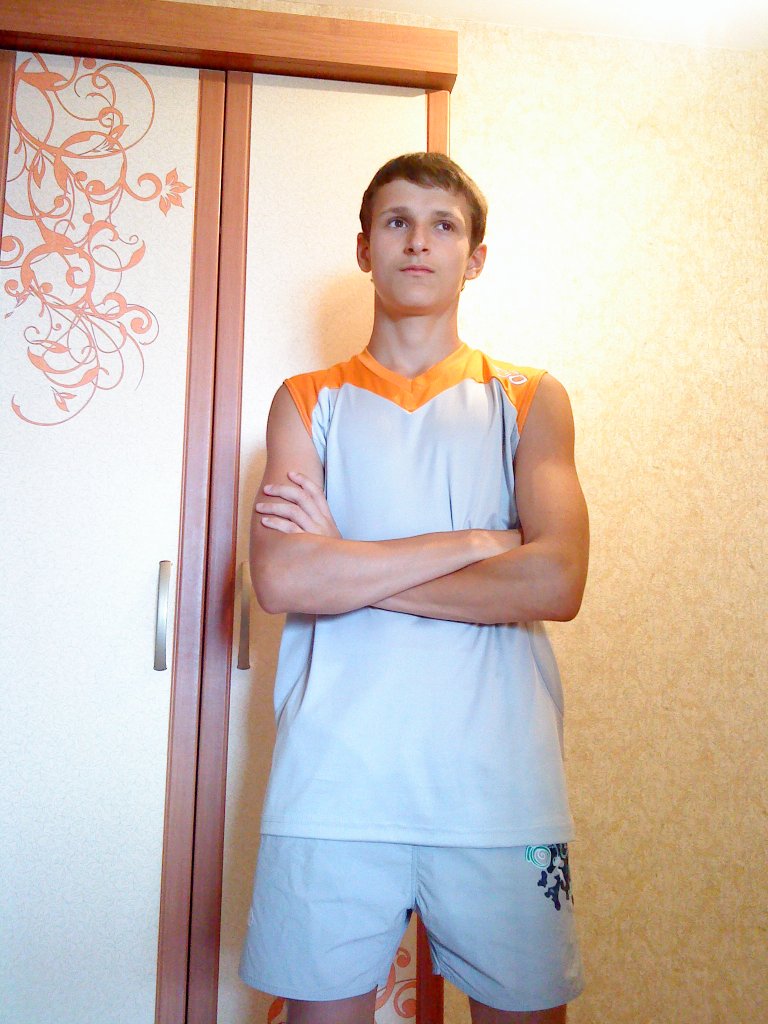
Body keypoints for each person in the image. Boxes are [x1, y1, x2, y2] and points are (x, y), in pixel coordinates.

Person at [239, 152, 589, 1024]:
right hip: (330, 787)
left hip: (499, 791)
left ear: (475, 258)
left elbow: (556, 578)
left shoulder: (530, 398)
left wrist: (346, 570)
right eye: (396, 222)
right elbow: (283, 575)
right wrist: (473, 543)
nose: (418, 242)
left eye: (443, 226)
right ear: (365, 247)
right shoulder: (306, 400)